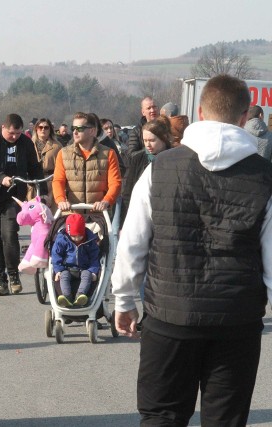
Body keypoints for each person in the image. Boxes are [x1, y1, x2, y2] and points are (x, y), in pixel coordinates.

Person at [112, 74, 272, 426]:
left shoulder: (160, 170)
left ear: (199, 111)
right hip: (236, 321)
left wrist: (123, 300)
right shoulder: (265, 176)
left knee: (161, 417)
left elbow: (132, 243)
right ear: (245, 117)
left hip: (169, 317)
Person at [0, 113, 46, 296]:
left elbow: (35, 168)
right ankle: (0, 281)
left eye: (18, 133)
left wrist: (43, 191)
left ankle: (14, 276)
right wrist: (1, 178)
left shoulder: (25, 143)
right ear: (3, 128)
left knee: (10, 236)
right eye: (11, 133)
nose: (14, 137)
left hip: (13, 197)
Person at [52, 112, 122, 213]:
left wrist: (106, 201)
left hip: (99, 214)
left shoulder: (109, 154)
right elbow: (58, 181)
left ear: (92, 131)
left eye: (79, 128)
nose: (75, 132)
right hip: (72, 215)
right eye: (73, 128)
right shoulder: (63, 154)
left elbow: (115, 183)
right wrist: (61, 200)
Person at [120, 116, 172, 227]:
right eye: (145, 140)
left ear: (163, 139)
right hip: (141, 214)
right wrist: (124, 223)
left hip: (165, 214)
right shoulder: (138, 158)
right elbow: (128, 191)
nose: (148, 144)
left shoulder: (174, 158)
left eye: (152, 140)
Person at [51, 213, 99, 307]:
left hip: (84, 268)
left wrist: (93, 271)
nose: (77, 239)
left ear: (84, 232)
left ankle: (80, 296)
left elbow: (95, 257)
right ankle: (66, 297)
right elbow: (56, 255)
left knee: (87, 275)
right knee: (63, 276)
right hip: (67, 268)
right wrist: (58, 270)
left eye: (80, 236)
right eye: (73, 236)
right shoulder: (62, 239)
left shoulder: (90, 240)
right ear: (68, 233)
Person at [32, 118, 61, 211]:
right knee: (34, 216)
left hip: (50, 182)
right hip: (33, 183)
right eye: (40, 127)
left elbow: (61, 168)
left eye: (46, 127)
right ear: (36, 129)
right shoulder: (29, 144)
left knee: (50, 215)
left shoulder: (57, 146)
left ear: (50, 130)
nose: (43, 129)